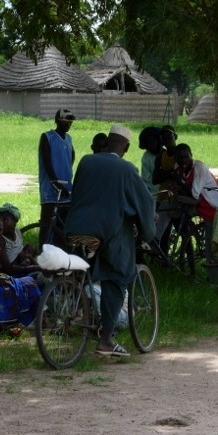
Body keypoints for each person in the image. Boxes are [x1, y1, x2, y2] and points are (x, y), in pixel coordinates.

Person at [65, 125, 155, 357]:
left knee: (79, 271)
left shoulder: (87, 161)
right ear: (126, 147)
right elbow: (144, 202)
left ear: (106, 143)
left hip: (76, 228)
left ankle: (71, 311)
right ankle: (106, 340)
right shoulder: (126, 169)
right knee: (117, 278)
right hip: (108, 233)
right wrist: (148, 229)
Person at [173, 143, 218, 265]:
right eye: (180, 158)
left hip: (211, 205)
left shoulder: (199, 167)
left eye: (186, 157)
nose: (183, 160)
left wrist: (179, 184)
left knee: (212, 243)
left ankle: (214, 266)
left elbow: (195, 194)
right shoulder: (177, 167)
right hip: (198, 205)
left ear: (191, 156)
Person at [38, 109, 75, 240]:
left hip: (66, 188)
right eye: (65, 122)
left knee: (63, 224)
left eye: (70, 122)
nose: (68, 125)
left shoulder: (69, 139)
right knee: (47, 223)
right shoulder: (47, 137)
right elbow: (47, 163)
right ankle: (43, 248)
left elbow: (71, 157)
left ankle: (60, 248)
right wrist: (55, 182)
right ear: (57, 121)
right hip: (50, 188)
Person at [151, 125, 180, 247]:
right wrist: (170, 173)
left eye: (169, 136)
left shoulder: (180, 153)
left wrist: (164, 173)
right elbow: (155, 179)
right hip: (162, 196)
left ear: (175, 136)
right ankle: (163, 257)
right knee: (162, 232)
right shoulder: (160, 156)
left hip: (176, 198)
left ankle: (188, 255)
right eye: (163, 138)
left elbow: (179, 176)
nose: (166, 139)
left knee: (181, 230)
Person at [138, 126, 162, 198]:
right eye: (148, 143)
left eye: (153, 142)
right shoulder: (146, 157)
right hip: (153, 193)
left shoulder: (166, 154)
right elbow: (147, 179)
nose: (151, 145)